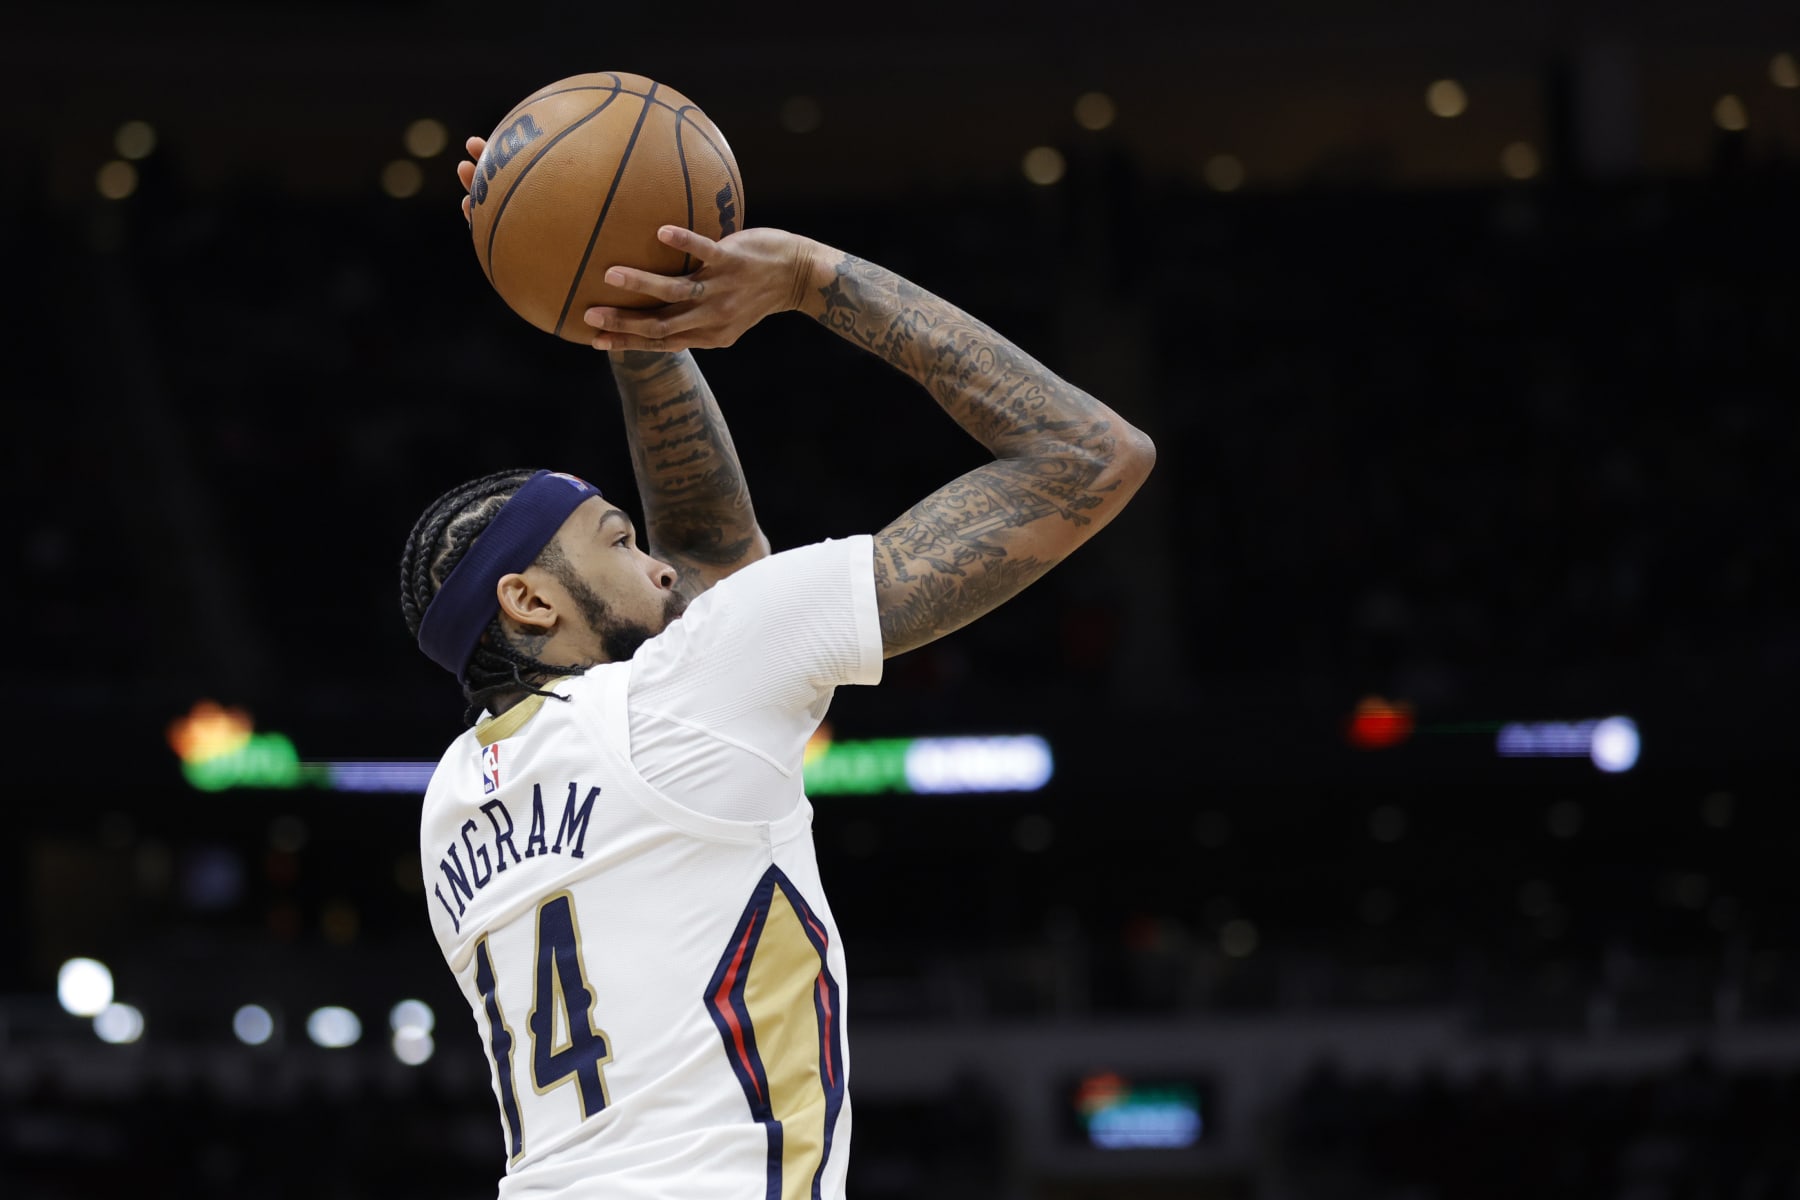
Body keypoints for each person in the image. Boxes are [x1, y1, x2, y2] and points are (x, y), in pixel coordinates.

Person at [399, 135, 1155, 1200]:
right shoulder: (680, 696)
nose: (660, 567)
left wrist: (633, 318)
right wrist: (813, 279)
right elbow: (1093, 456)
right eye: (618, 541)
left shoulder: (449, 806)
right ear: (528, 600)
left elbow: (710, 568)